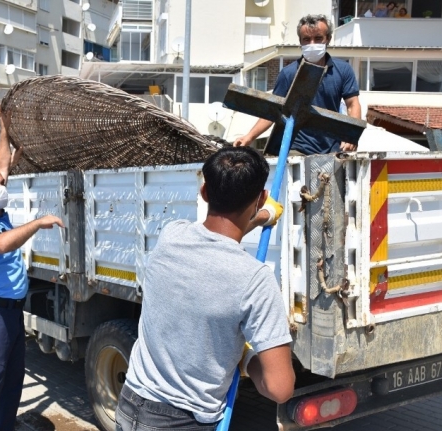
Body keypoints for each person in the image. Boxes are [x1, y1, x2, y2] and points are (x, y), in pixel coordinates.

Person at [116, 147, 294, 430]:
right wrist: (246, 359)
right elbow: (280, 387)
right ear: (260, 198)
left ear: (205, 192)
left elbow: (213, 238)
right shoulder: (255, 279)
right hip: (183, 422)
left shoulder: (171, 235)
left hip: (130, 405)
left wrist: (260, 218)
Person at [0, 105, 63, 431]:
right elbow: (1, 245)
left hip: (11, 314)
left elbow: (1, 165)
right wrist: (38, 223)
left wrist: (3, 126)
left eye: (0, 183)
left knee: (10, 384)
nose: (1, 186)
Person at [234, 14, 361, 155]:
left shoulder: (343, 70)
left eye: (318, 38)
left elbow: (352, 105)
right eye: (306, 39)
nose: (312, 44)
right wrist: (249, 137)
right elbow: (273, 111)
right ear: (300, 42)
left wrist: (352, 135)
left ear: (328, 39)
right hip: (298, 148)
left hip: (333, 148)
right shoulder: (288, 74)